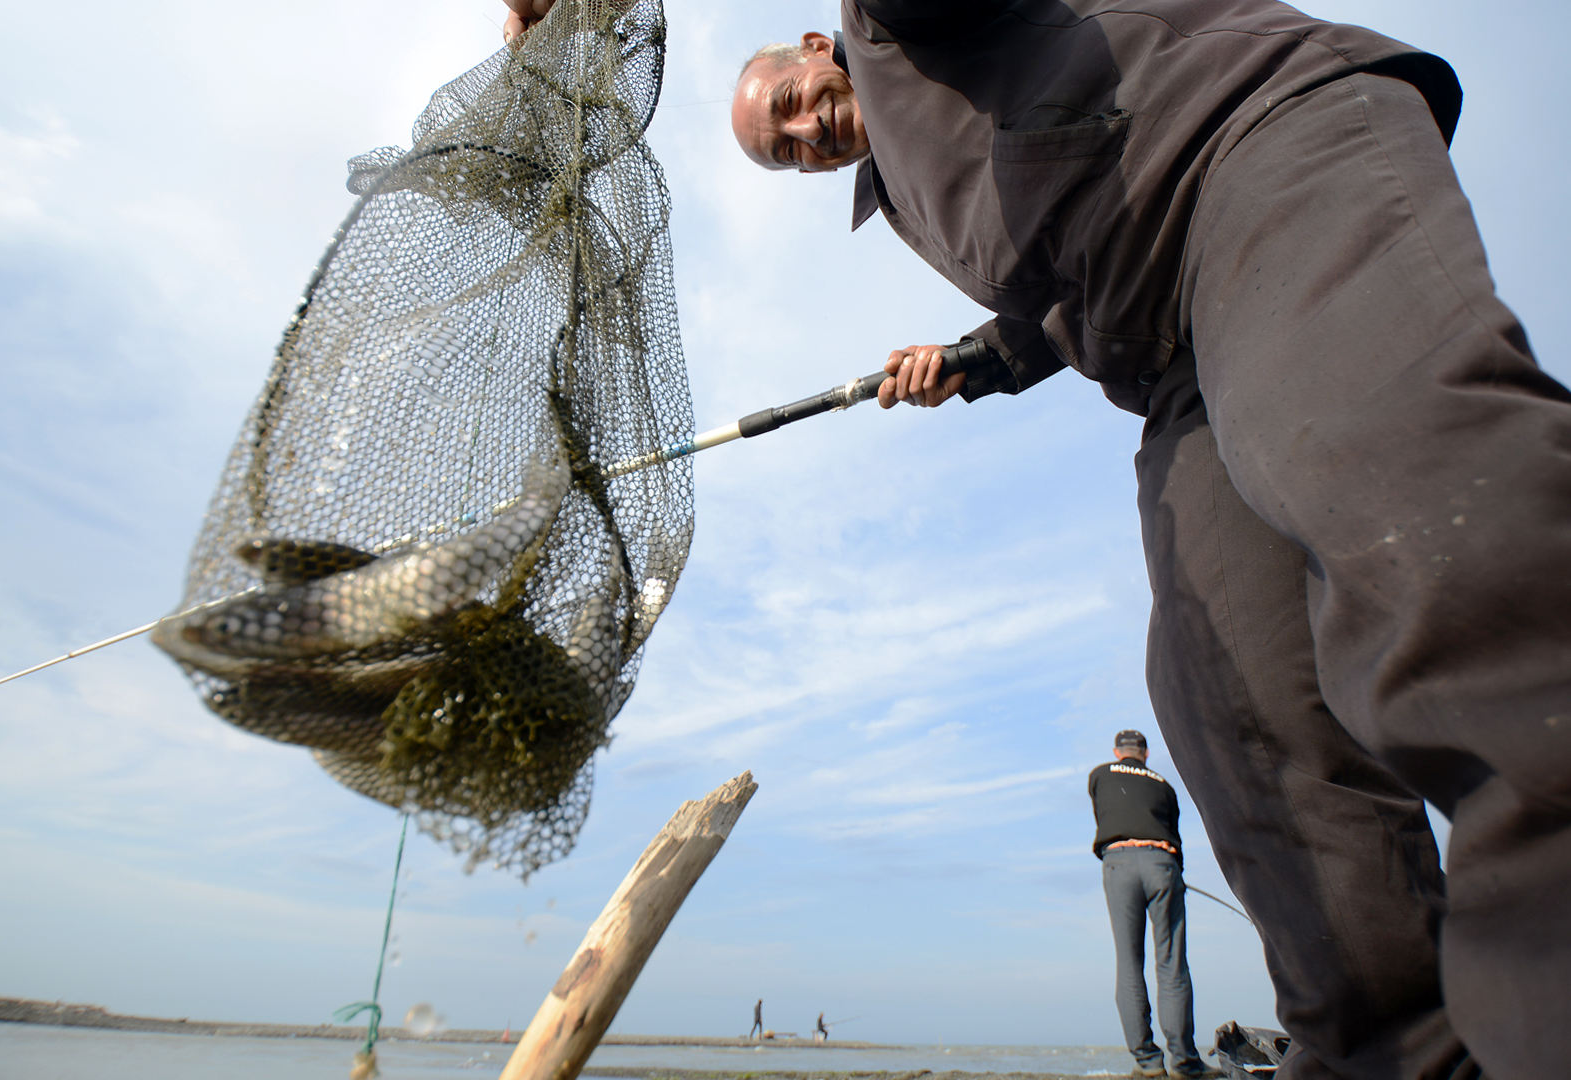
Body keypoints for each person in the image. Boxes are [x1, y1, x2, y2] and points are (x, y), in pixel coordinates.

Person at [502, 2, 1571, 1077]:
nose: (805, 133)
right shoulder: (915, 195)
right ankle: (1394, 1052)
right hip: (1174, 354)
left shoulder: (895, 34)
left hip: (1252, 158)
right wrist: (979, 356)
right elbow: (1065, 279)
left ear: (818, 50)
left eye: (789, 104)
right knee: (1226, 695)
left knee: (1410, 511)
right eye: (787, 152)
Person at [1090, 730, 1211, 1079]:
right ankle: (1186, 1063)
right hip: (1163, 864)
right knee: (1171, 964)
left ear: (1117, 752)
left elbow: (1105, 811)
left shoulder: (1100, 774)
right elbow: (1173, 829)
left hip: (1118, 863)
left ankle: (1148, 1063)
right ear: (1145, 753)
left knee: (1129, 962)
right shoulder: (1164, 785)